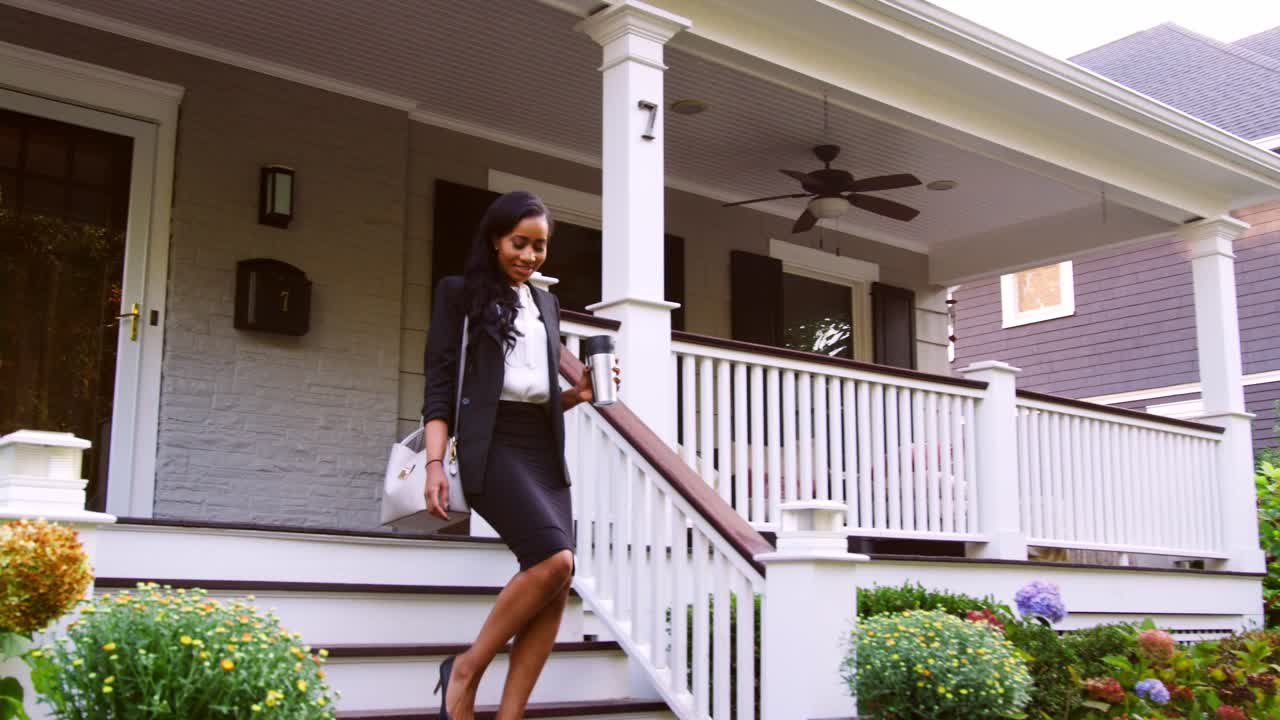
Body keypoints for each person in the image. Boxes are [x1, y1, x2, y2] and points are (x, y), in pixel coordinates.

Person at [420, 191, 620, 720]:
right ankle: (465, 670)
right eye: (519, 243)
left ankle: (511, 715)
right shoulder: (459, 294)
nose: (529, 256)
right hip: (493, 445)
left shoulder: (545, 304)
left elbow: (539, 391)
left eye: (540, 247)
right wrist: (435, 464)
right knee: (553, 558)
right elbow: (439, 387)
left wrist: (578, 395)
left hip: (543, 447)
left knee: (558, 579)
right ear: (494, 239)